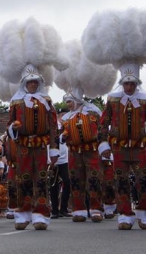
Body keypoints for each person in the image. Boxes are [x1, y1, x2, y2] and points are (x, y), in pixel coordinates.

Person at [7, 65, 59, 230]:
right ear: (24, 83)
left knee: (41, 179)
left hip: (41, 146)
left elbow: (53, 126)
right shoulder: (16, 102)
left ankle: (41, 215)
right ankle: (23, 214)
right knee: (23, 179)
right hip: (23, 145)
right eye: (30, 82)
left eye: (35, 82)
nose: (33, 85)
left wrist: (54, 149)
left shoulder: (47, 101)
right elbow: (9, 123)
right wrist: (13, 128)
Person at [98, 63, 146, 230]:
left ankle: (143, 213)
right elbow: (104, 123)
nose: (129, 86)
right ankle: (125, 214)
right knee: (121, 180)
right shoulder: (113, 99)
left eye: (132, 83)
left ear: (136, 84)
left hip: (140, 147)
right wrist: (103, 144)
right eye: (126, 83)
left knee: (143, 180)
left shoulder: (144, 99)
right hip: (119, 147)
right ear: (122, 83)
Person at [58, 93, 104, 222]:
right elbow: (61, 133)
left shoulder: (92, 112)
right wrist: (63, 136)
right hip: (74, 152)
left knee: (94, 179)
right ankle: (79, 209)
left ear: (77, 100)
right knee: (76, 180)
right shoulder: (67, 117)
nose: (68, 105)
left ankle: (96, 209)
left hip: (92, 151)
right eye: (67, 102)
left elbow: (101, 128)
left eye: (70, 101)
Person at [48, 130, 71, 220]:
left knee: (67, 182)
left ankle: (63, 208)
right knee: (53, 185)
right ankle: (54, 210)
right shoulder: (50, 127)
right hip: (52, 159)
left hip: (64, 160)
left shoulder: (65, 126)